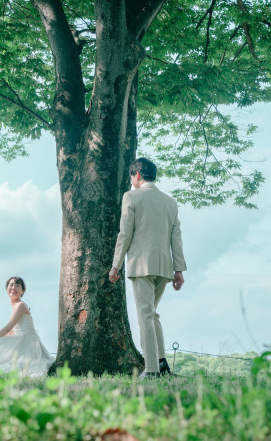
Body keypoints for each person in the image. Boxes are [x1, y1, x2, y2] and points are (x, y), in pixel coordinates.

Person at [109, 158, 187, 378]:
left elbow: (125, 234)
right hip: (165, 266)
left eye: (131, 177)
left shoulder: (131, 197)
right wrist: (178, 270)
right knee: (152, 315)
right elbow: (176, 238)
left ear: (138, 175)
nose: (131, 181)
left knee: (145, 316)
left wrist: (116, 265)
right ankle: (161, 363)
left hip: (141, 265)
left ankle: (151, 369)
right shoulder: (170, 202)